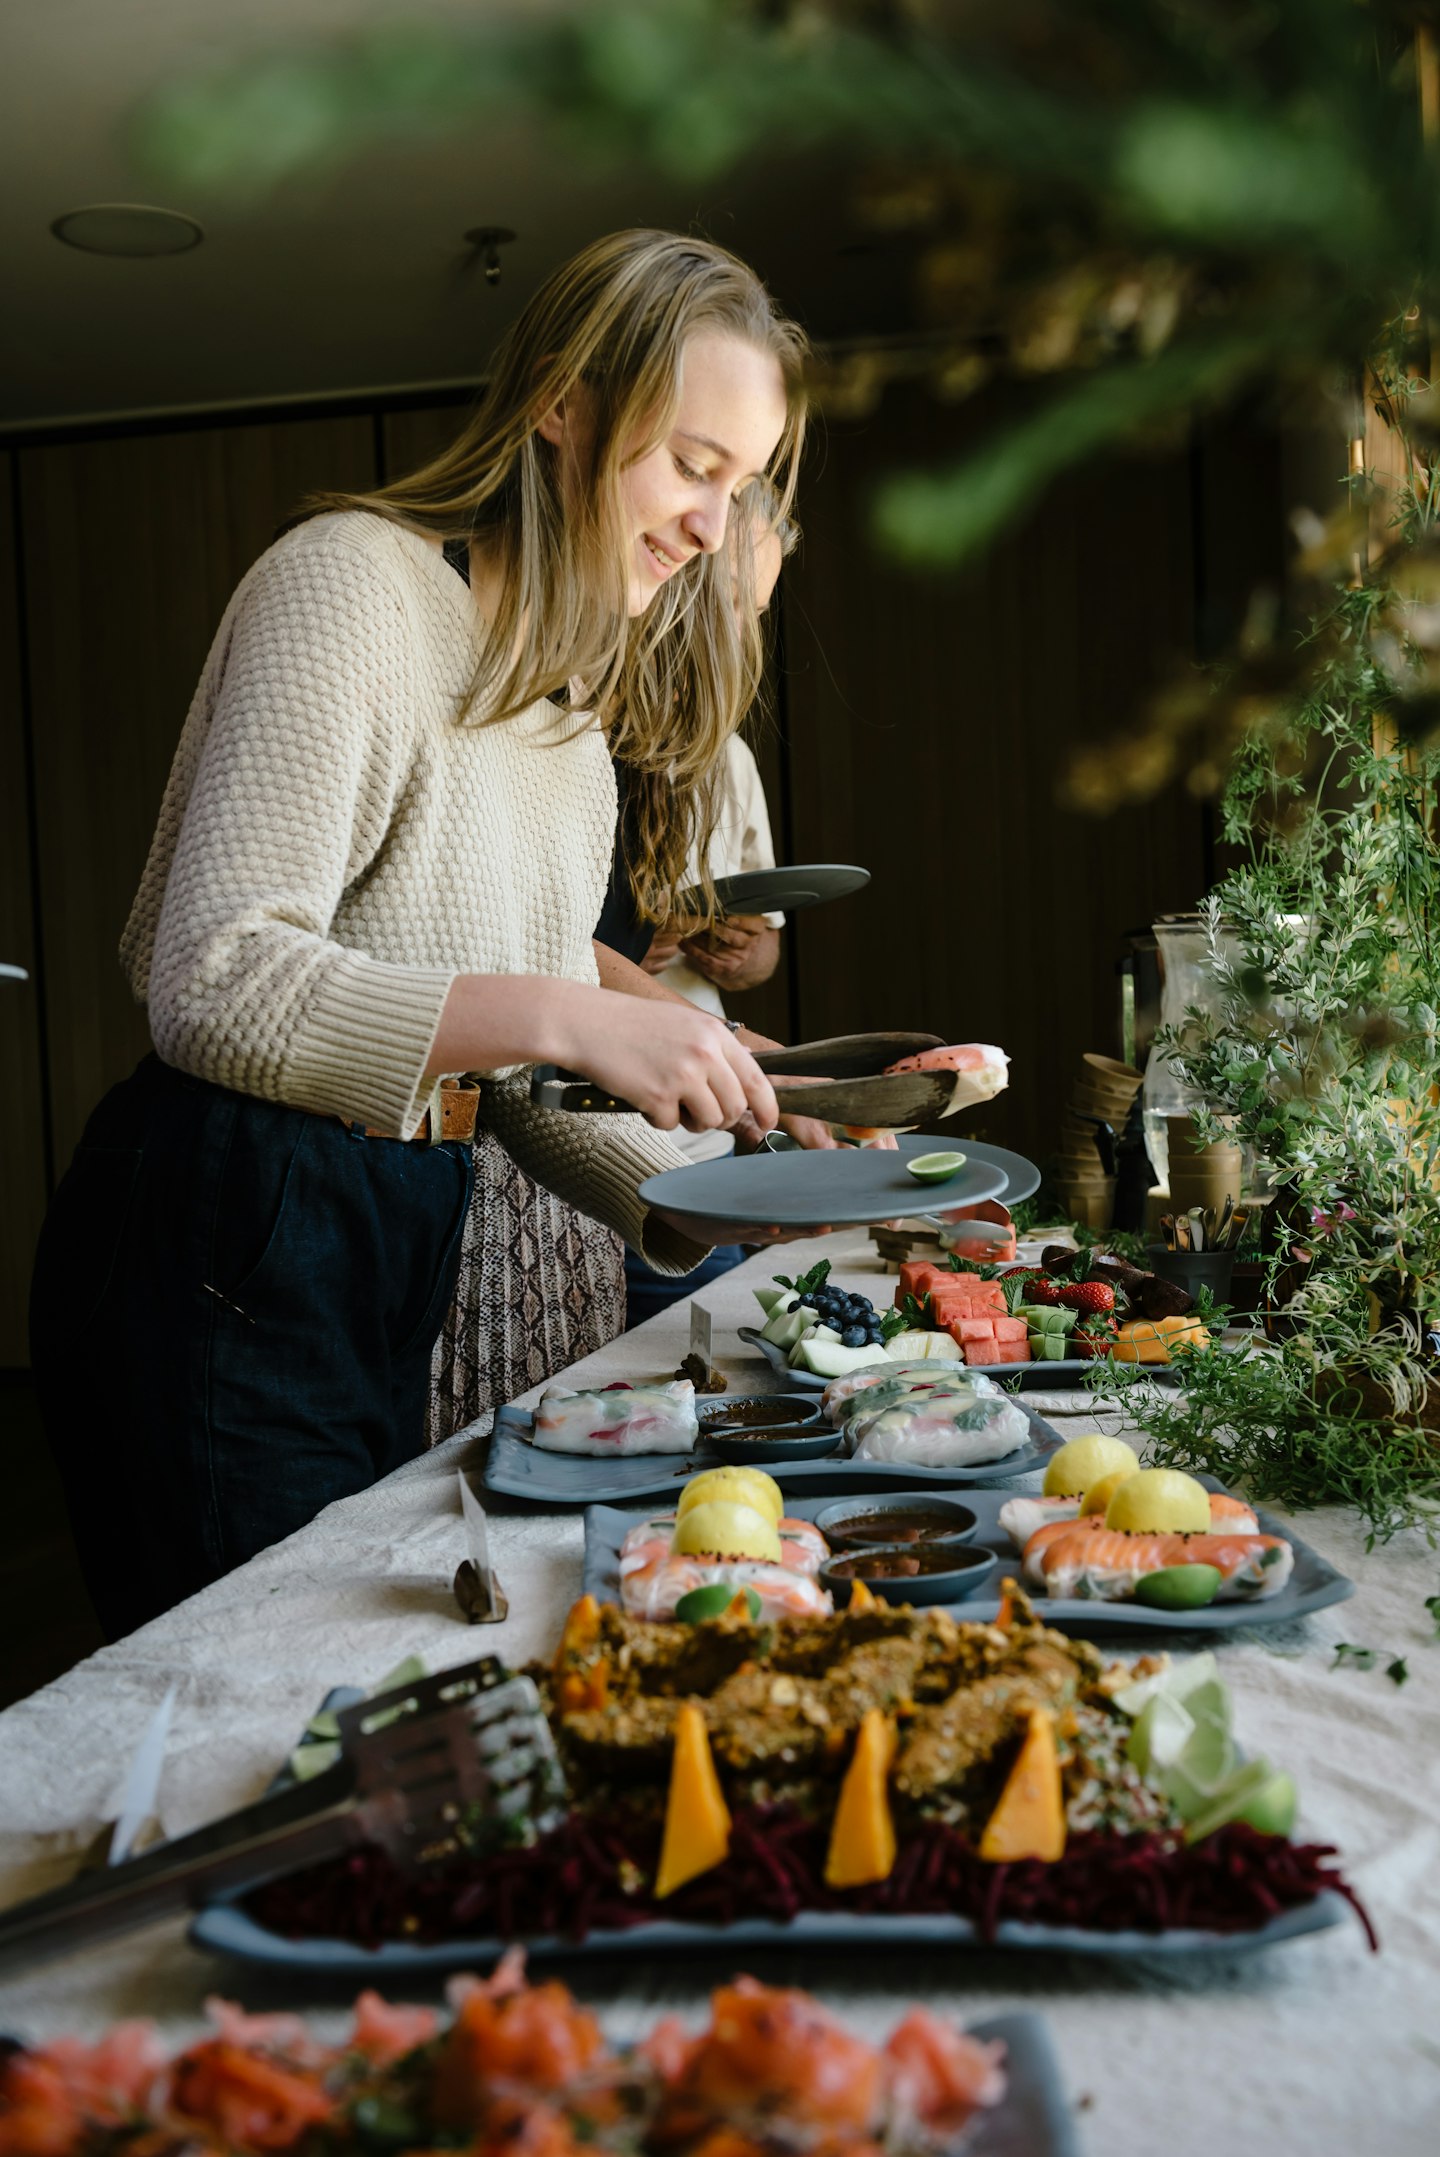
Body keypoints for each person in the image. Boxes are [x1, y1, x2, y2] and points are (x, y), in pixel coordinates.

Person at [29, 229, 807, 1638]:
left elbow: (499, 1069)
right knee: (264, 1694)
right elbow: (213, 981)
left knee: (348, 1680)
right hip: (224, 1217)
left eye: (739, 487)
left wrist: (750, 1185)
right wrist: (580, 1014)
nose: (711, 527)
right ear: (565, 399)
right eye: (694, 465)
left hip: (399, 1226)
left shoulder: (569, 728)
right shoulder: (348, 585)